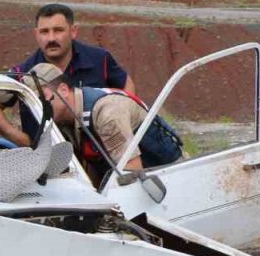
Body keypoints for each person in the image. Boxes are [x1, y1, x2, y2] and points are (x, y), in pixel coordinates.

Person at [0, 3, 136, 146]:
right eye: (44, 31)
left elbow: (126, 85)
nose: (51, 38)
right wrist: (20, 139)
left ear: (73, 31)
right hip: (47, 159)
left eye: (58, 30)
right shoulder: (23, 73)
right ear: (36, 34)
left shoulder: (99, 59)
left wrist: (123, 123)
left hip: (98, 155)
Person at [22, 62, 182, 173]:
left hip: (172, 178)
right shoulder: (67, 116)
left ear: (63, 90)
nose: (38, 107)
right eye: (33, 102)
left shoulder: (106, 113)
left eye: (41, 99)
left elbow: (132, 173)